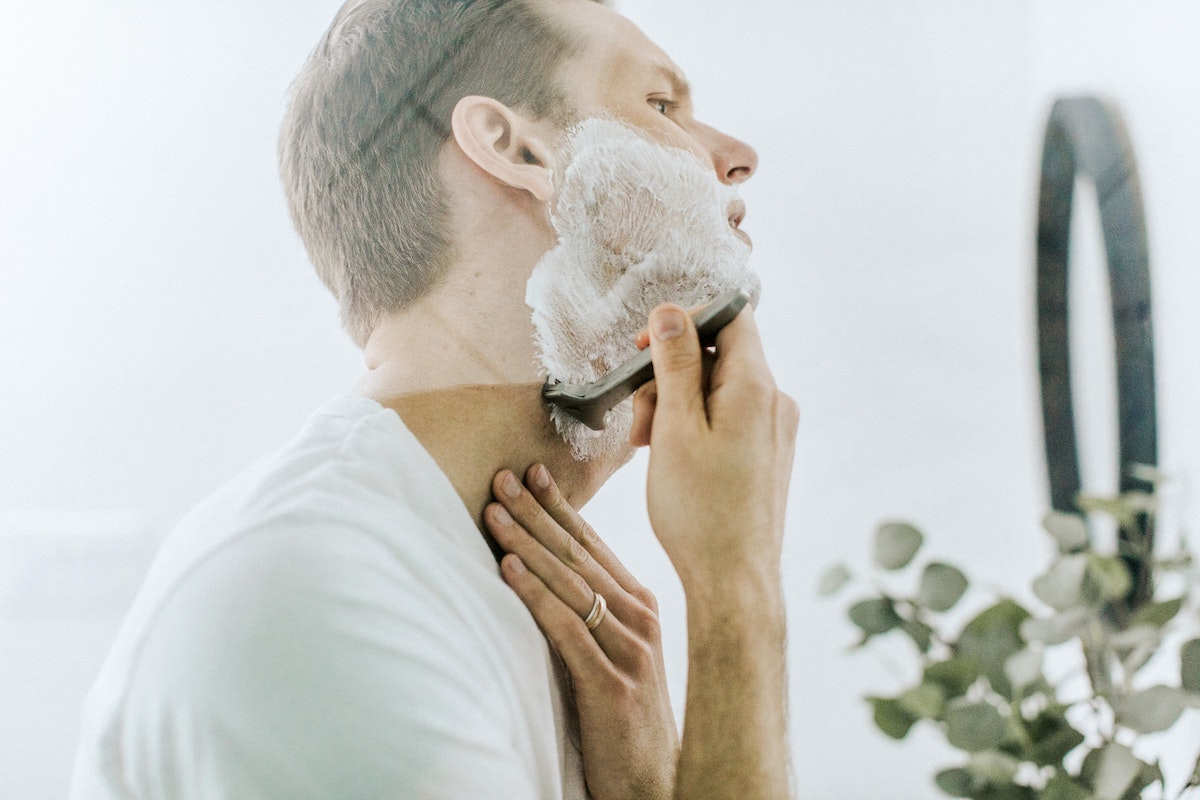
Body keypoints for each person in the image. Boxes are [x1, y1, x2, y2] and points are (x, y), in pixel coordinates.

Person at [69, 1, 799, 799]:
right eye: (661, 106)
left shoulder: (520, 615)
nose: (737, 156)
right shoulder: (319, 606)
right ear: (516, 148)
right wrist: (738, 597)